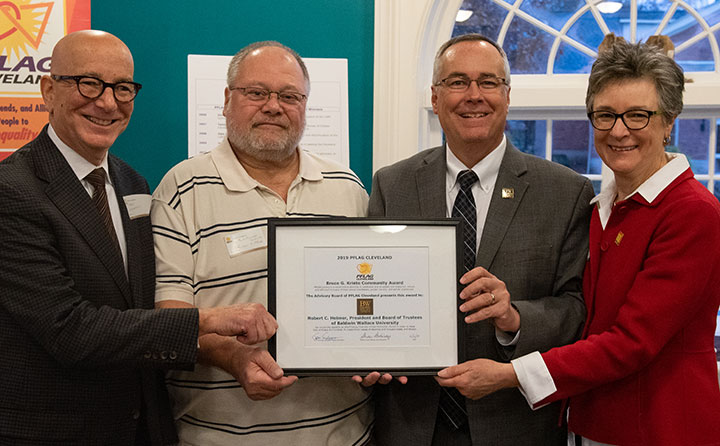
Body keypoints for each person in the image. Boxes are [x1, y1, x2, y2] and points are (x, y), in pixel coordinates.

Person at [0, 30, 278, 446]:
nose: (108, 102)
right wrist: (209, 319)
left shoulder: (132, 183)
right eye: (88, 83)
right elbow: (68, 329)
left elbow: (138, 303)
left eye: (122, 88)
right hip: (57, 431)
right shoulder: (13, 190)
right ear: (48, 90)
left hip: (141, 427)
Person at [437, 39, 720, 446]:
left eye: (637, 116)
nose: (618, 131)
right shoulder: (606, 208)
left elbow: (632, 342)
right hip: (590, 425)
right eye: (605, 115)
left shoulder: (692, 211)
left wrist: (509, 374)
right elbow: (584, 317)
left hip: (662, 428)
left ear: (669, 121)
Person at [364, 34, 595, 445]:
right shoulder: (391, 185)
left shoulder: (564, 191)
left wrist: (515, 318)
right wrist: (366, 347)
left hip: (516, 424)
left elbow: (576, 308)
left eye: (488, 82)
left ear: (507, 96)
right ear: (435, 99)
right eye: (457, 82)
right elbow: (372, 290)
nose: (474, 96)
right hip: (411, 424)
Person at [152, 41, 373, 445]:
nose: (273, 106)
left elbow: (369, 292)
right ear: (226, 100)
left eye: (289, 96)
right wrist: (232, 358)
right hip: (219, 437)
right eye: (256, 92)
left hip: (344, 434)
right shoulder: (182, 188)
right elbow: (170, 316)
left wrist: (380, 348)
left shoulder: (348, 187)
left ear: (305, 105)